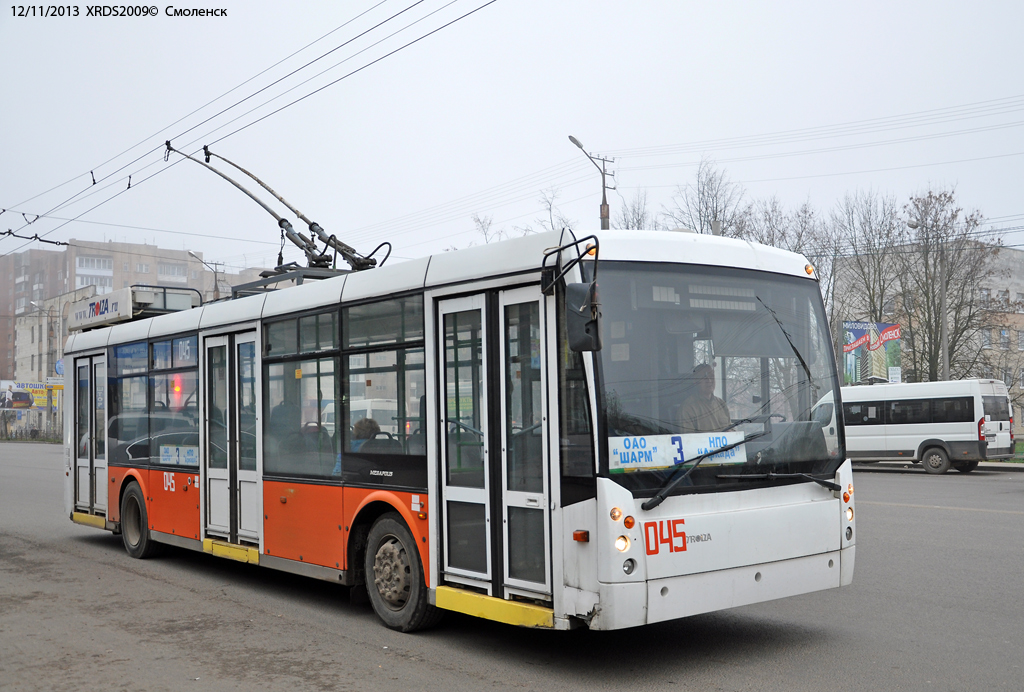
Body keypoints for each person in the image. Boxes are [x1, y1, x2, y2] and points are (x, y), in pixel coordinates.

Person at [678, 363, 730, 433]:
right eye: (704, 377)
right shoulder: (688, 407)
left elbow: (730, 431)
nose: (709, 380)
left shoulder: (721, 404)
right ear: (695, 381)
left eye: (711, 376)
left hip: (728, 444)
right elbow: (689, 440)